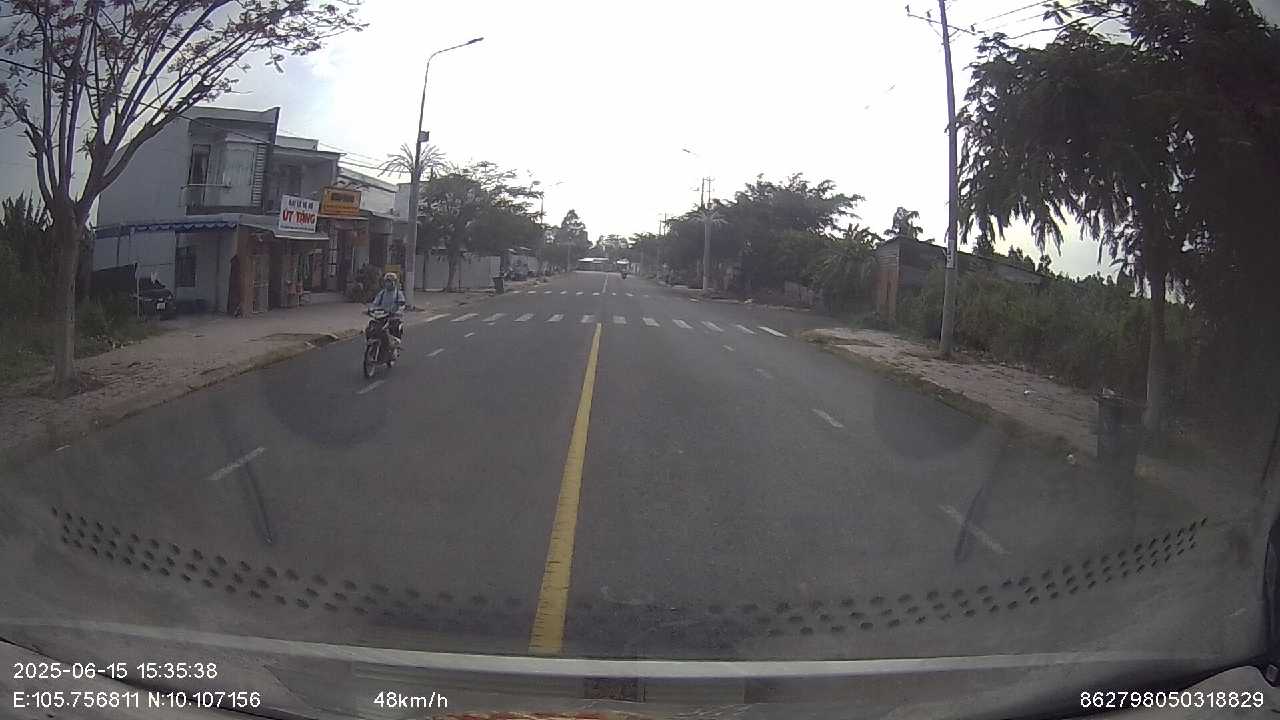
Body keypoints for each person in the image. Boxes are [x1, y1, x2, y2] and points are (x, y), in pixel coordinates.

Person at [368, 272, 406, 346]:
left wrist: (398, 311)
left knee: (394, 327)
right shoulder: (382, 293)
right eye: (386, 281)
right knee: (370, 327)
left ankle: (394, 343)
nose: (388, 284)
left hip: (393, 317)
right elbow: (375, 303)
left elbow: (402, 305)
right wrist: (371, 309)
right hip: (382, 316)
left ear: (394, 282)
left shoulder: (398, 293)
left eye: (390, 281)